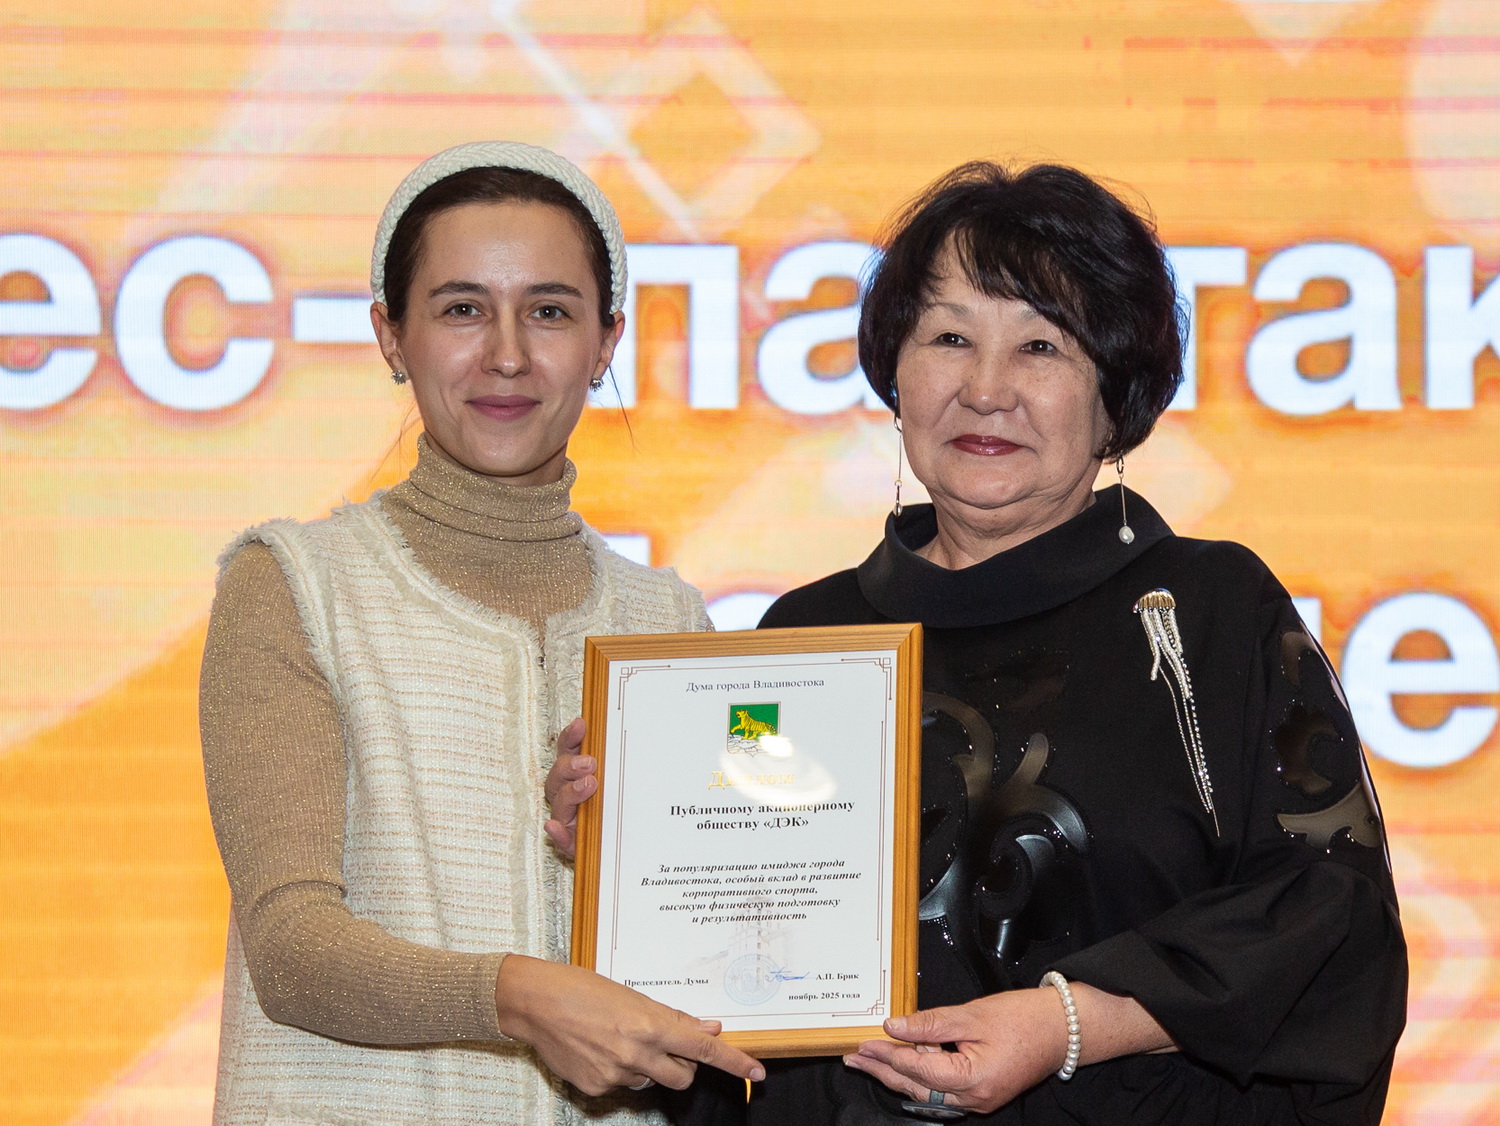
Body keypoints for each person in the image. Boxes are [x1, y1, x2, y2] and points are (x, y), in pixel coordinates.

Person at [557, 162, 1405, 1125]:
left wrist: (1074, 1023)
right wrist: (632, 856)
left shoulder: (1207, 612)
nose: (986, 390)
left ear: (1116, 399)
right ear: (896, 373)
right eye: (950, 337)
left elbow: (1333, 919)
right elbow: (738, 996)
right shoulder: (806, 635)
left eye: (1041, 346)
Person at [200, 141, 763, 1126]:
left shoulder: (669, 621)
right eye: (462, 309)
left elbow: (716, 944)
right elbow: (290, 949)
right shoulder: (295, 585)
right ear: (391, 336)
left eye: (550, 311)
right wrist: (519, 995)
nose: (507, 354)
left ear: (606, 340)